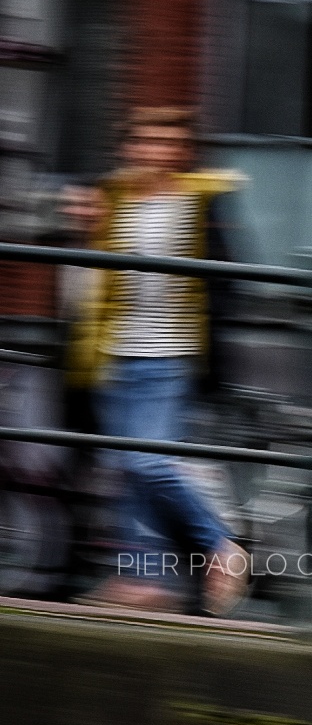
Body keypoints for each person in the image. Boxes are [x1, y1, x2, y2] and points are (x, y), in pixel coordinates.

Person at [66, 106, 248, 616]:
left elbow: (230, 273)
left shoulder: (200, 198)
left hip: (170, 354)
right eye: (144, 141)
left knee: (148, 462)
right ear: (130, 147)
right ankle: (142, 578)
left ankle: (220, 545)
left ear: (180, 151)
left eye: (166, 142)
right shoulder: (115, 197)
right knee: (127, 469)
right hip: (114, 351)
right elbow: (96, 269)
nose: (153, 151)